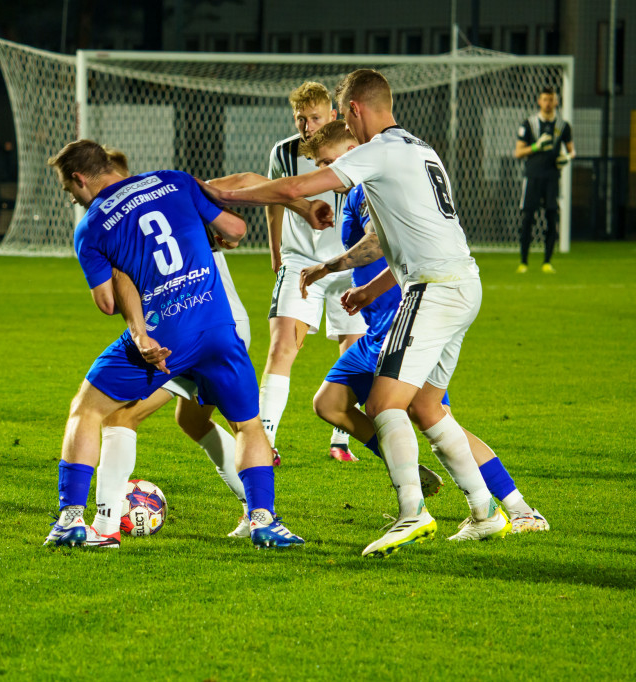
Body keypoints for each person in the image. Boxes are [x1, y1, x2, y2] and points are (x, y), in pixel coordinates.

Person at [206, 69, 514, 556]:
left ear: (351, 112)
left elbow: (293, 190)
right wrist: (361, 282)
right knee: (428, 408)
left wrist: (220, 196)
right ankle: (487, 512)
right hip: (461, 283)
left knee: (382, 404)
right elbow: (397, 233)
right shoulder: (420, 148)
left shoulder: (377, 150)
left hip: (433, 289)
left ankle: (412, 513)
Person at [43, 139, 304, 550]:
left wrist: (124, 276)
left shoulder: (91, 226)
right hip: (220, 324)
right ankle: (264, 521)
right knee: (238, 424)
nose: (74, 199)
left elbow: (107, 302)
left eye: (70, 191)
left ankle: (80, 521)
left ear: (79, 179)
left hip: (167, 334)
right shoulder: (173, 181)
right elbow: (236, 228)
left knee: (93, 411)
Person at [299, 121, 549, 534]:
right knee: (330, 403)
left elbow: (380, 243)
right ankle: (410, 467)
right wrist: (366, 292)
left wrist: (330, 267)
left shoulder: (369, 182)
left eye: (328, 160)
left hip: (411, 318)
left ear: (350, 142)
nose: (327, 170)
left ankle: (515, 506)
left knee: (429, 412)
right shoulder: (362, 182)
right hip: (378, 323)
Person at [86, 148, 254, 548]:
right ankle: (257, 509)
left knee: (120, 418)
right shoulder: (173, 194)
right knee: (194, 421)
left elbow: (111, 300)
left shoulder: (130, 217)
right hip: (220, 322)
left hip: (196, 329)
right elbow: (243, 182)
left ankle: (106, 524)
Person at [260, 81, 367, 466]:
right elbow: (274, 200)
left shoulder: (356, 151)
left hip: (349, 265)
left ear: (334, 116)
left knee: (352, 349)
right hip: (300, 262)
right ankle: (265, 440)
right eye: (301, 119)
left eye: (315, 118)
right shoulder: (284, 152)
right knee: (283, 347)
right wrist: (275, 250)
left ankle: (341, 440)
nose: (307, 126)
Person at [514, 85, 574, 274]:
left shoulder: (563, 126)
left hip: (552, 178)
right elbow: (518, 152)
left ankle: (547, 262)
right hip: (532, 177)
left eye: (551, 99)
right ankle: (524, 262)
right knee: (527, 219)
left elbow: (572, 151)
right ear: (539, 101)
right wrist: (536, 146)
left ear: (556, 101)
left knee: (551, 217)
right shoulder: (528, 124)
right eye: (545, 99)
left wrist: (567, 158)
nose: (548, 103)